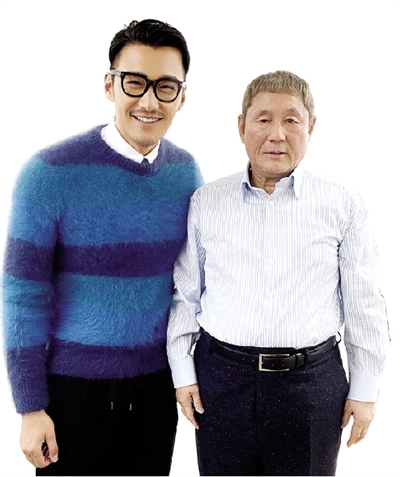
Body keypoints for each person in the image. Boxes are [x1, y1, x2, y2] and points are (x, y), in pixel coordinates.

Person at [2, 18, 203, 476]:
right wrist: (30, 408)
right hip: (72, 394)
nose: (149, 101)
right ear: (109, 85)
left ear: (182, 97)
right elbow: (22, 295)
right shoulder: (48, 174)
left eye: (165, 86)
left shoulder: (186, 174)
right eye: (135, 82)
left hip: (155, 394)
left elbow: (189, 286)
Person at [167, 70, 390, 476]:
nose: (276, 134)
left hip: (311, 386)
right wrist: (183, 374)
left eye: (291, 120)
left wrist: (365, 390)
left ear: (311, 127)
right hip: (222, 381)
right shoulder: (207, 202)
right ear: (241, 126)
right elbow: (186, 294)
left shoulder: (342, 204)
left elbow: (365, 304)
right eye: (263, 119)